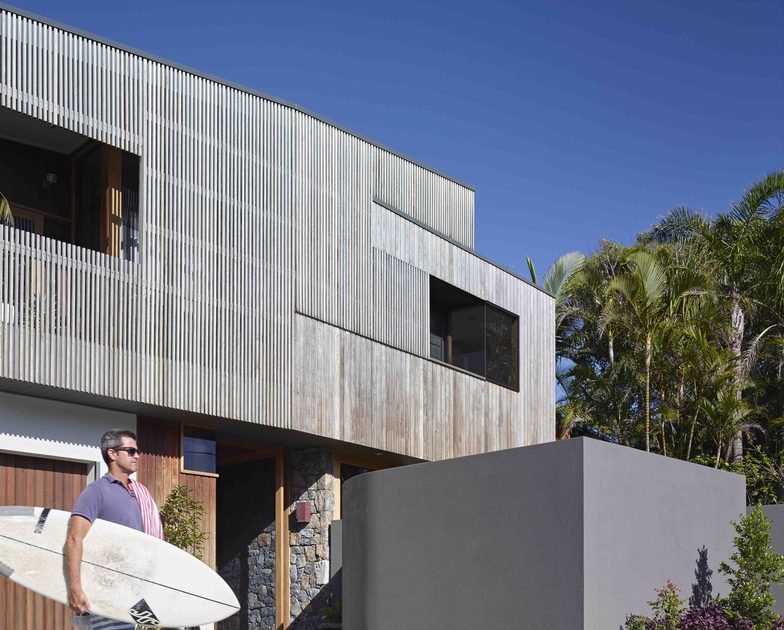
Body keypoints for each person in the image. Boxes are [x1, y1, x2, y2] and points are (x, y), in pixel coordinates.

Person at [66, 429, 163, 630]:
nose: (137, 455)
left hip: (134, 591)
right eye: (131, 450)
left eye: (137, 451)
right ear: (112, 454)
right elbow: (75, 539)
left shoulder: (140, 493)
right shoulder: (97, 491)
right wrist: (75, 589)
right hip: (104, 592)